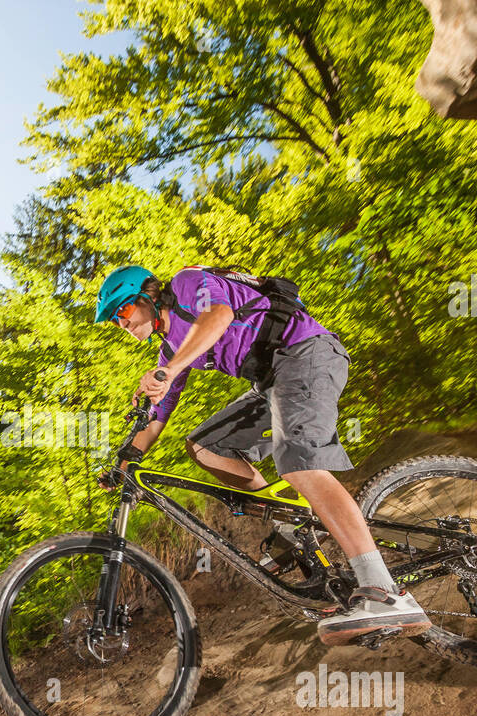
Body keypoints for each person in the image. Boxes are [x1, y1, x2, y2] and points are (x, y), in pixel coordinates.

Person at [94, 264, 430, 645]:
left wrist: (169, 371)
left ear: (148, 298)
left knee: (297, 462)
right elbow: (158, 416)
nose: (120, 324)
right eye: (113, 321)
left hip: (307, 355)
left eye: (121, 312)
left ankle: (384, 591)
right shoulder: (171, 349)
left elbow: (218, 315)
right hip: (272, 381)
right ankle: (290, 524)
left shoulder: (187, 284)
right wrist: (124, 462)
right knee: (205, 447)